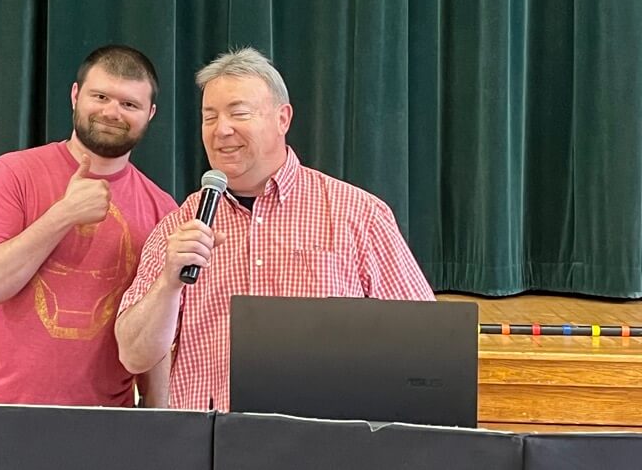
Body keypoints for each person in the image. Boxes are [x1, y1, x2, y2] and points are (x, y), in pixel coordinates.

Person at [114, 47, 434, 411]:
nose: (222, 130)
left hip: (328, 442)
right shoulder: (181, 227)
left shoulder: (358, 214)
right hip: (211, 447)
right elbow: (133, 355)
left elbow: (425, 344)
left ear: (283, 118)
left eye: (239, 113)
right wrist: (169, 282)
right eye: (209, 117)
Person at [0, 45, 178, 407]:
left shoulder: (161, 209)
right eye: (101, 96)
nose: (112, 112)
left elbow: (153, 334)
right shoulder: (14, 172)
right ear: (76, 96)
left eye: (129, 104)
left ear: (150, 114)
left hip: (106, 426)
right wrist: (63, 214)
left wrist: (157, 420)